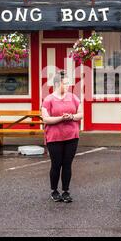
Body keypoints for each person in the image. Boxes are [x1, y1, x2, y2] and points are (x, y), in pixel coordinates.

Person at [41, 71, 83, 203]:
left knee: (67, 164)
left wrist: (71, 117)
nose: (68, 86)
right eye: (65, 83)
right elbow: (46, 119)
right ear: (57, 84)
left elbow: (80, 114)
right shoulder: (48, 100)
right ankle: (54, 190)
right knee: (56, 164)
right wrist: (61, 118)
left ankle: (66, 191)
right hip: (54, 138)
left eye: (68, 83)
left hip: (71, 136)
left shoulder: (73, 98)